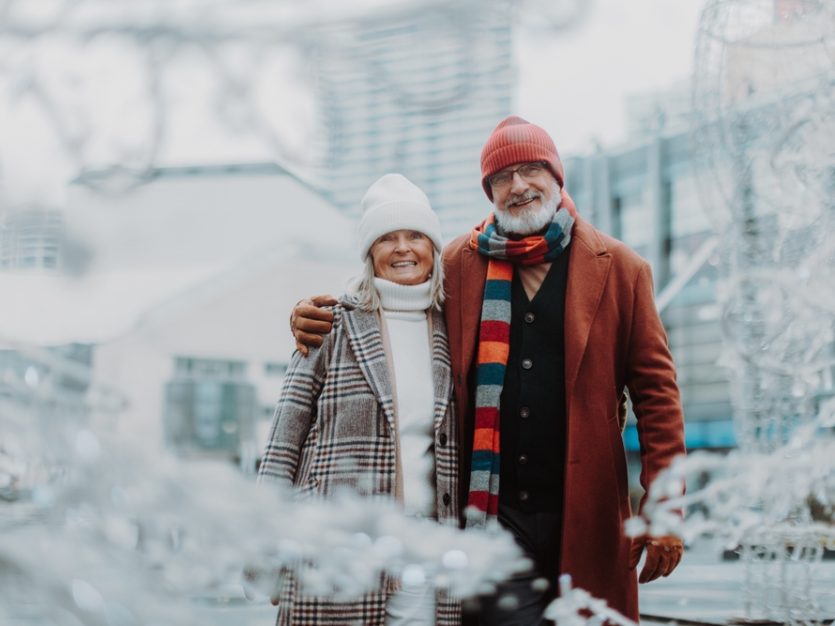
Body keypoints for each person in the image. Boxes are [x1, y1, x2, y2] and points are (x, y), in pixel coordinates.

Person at [291, 116, 686, 624]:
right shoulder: (456, 263)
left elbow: (659, 397)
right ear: (490, 192)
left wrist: (666, 510)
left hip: (587, 513)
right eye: (502, 177)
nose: (518, 186)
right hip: (491, 521)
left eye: (530, 170)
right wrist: (312, 314)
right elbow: (386, 291)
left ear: (556, 176)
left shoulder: (624, 269)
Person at [259, 173, 460, 626]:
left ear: (434, 249)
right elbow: (283, 442)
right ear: (370, 252)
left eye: (415, 236)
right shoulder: (332, 325)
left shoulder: (453, 329)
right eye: (387, 238)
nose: (403, 248)